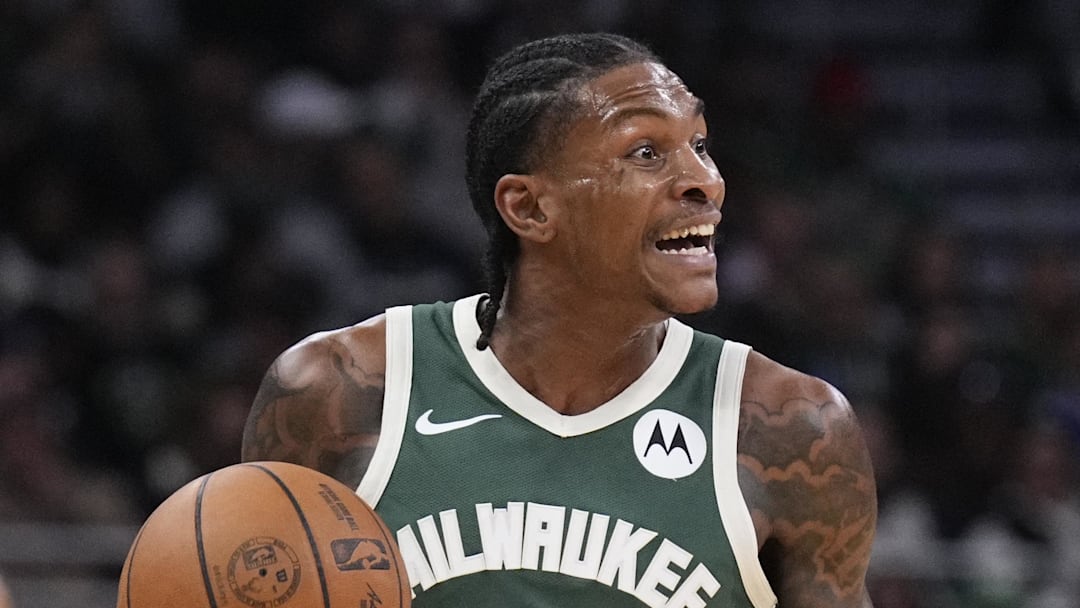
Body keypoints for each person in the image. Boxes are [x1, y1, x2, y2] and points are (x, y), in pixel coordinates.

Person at [242, 32, 877, 607]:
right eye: (648, 152)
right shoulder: (337, 392)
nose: (704, 181)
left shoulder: (792, 430)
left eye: (701, 145)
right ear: (529, 207)